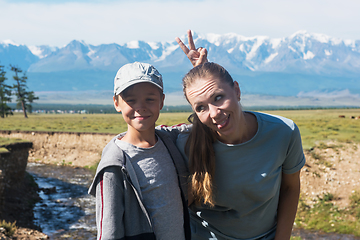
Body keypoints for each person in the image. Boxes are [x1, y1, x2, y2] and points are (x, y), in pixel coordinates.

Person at [175, 30, 306, 240]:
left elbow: (291, 188)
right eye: (200, 107)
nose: (214, 114)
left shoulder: (283, 132)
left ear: (236, 90)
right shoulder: (185, 143)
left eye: (218, 97)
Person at [88, 62, 191, 240]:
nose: (140, 107)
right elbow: (108, 231)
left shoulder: (169, 140)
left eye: (150, 99)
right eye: (131, 100)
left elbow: (206, 123)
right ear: (116, 103)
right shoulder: (114, 164)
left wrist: (202, 72)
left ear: (162, 101)